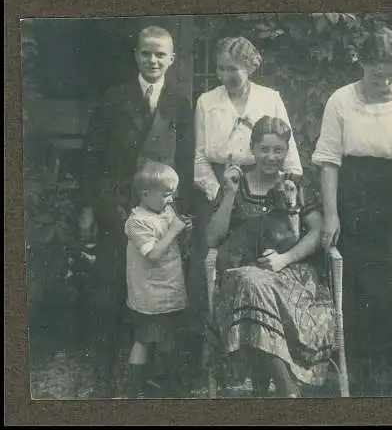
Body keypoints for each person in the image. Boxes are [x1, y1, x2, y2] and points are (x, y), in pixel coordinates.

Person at [311, 25, 392, 396]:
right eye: (375, 72)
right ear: (362, 65)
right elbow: (328, 162)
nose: (383, 80)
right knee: (356, 287)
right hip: (353, 197)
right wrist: (332, 214)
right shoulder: (340, 100)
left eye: (391, 73)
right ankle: (359, 383)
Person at [78, 25, 195, 397]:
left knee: (158, 290)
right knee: (111, 288)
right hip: (117, 208)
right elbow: (93, 158)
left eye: (161, 54)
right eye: (146, 52)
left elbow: (188, 163)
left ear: (172, 59)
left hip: (160, 212)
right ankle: (104, 373)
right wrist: (89, 209)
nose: (153, 60)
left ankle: (156, 375)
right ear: (136, 55)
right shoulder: (114, 98)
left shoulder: (180, 104)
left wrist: (181, 211)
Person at [188, 37, 303, 383]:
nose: (226, 75)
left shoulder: (270, 99)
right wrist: (222, 196)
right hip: (223, 197)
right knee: (208, 266)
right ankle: (220, 362)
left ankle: (274, 358)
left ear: (250, 66)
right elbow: (199, 159)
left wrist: (284, 191)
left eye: (233, 68)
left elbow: (289, 154)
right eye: (221, 68)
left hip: (267, 196)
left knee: (269, 271)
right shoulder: (207, 102)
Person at [206, 116, 336, 398]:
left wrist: (285, 258)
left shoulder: (295, 185)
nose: (270, 156)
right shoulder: (235, 185)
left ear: (286, 151)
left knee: (256, 284)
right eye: (264, 149)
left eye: (278, 150)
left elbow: (317, 231)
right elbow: (212, 239)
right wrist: (228, 194)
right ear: (252, 148)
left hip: (290, 275)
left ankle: (276, 387)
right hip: (241, 277)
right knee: (252, 282)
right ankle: (286, 387)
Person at [124, 162, 192, 398]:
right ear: (145, 194)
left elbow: (172, 236)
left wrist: (181, 229)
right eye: (166, 194)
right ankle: (141, 388)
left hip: (166, 292)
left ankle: (160, 384)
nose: (171, 199)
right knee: (147, 340)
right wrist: (174, 230)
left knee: (160, 338)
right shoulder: (136, 223)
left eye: (173, 193)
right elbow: (152, 254)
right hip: (150, 297)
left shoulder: (164, 212)